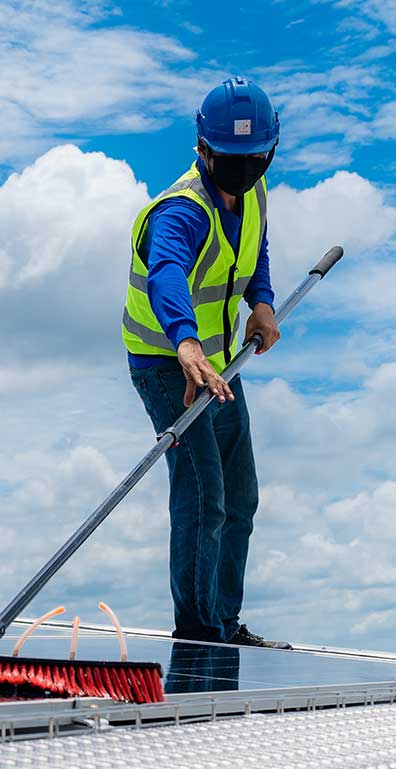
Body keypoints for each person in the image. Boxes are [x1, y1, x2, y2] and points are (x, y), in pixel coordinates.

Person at [120, 77, 290, 650]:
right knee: (202, 494)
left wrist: (261, 303)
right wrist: (186, 342)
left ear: (266, 153)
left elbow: (255, 248)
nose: (243, 170)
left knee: (240, 495)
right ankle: (199, 634)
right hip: (169, 364)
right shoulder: (181, 210)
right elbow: (168, 270)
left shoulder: (254, 192)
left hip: (217, 363)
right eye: (230, 160)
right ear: (203, 150)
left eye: (253, 159)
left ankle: (224, 620)